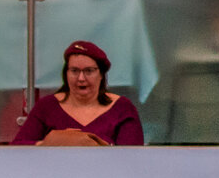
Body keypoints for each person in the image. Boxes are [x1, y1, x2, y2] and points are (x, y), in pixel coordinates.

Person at [11, 40, 143, 146]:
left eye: (89, 71)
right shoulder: (46, 106)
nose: (81, 78)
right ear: (66, 74)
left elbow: (131, 157)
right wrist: (49, 143)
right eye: (74, 71)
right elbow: (18, 149)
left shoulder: (122, 108)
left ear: (101, 74)